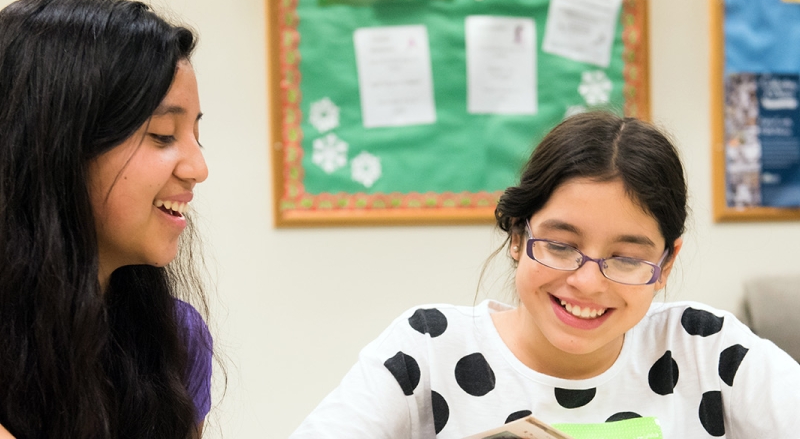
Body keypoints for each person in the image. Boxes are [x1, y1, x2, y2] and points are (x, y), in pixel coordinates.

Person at [290, 111, 800, 438]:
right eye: (560, 246)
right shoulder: (427, 347)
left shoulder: (705, 347)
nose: (588, 283)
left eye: (626, 258)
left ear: (665, 264)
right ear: (516, 236)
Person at [0, 0, 214, 438]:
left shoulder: (177, 338)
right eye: (161, 134)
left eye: (196, 135)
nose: (198, 168)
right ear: (55, 144)